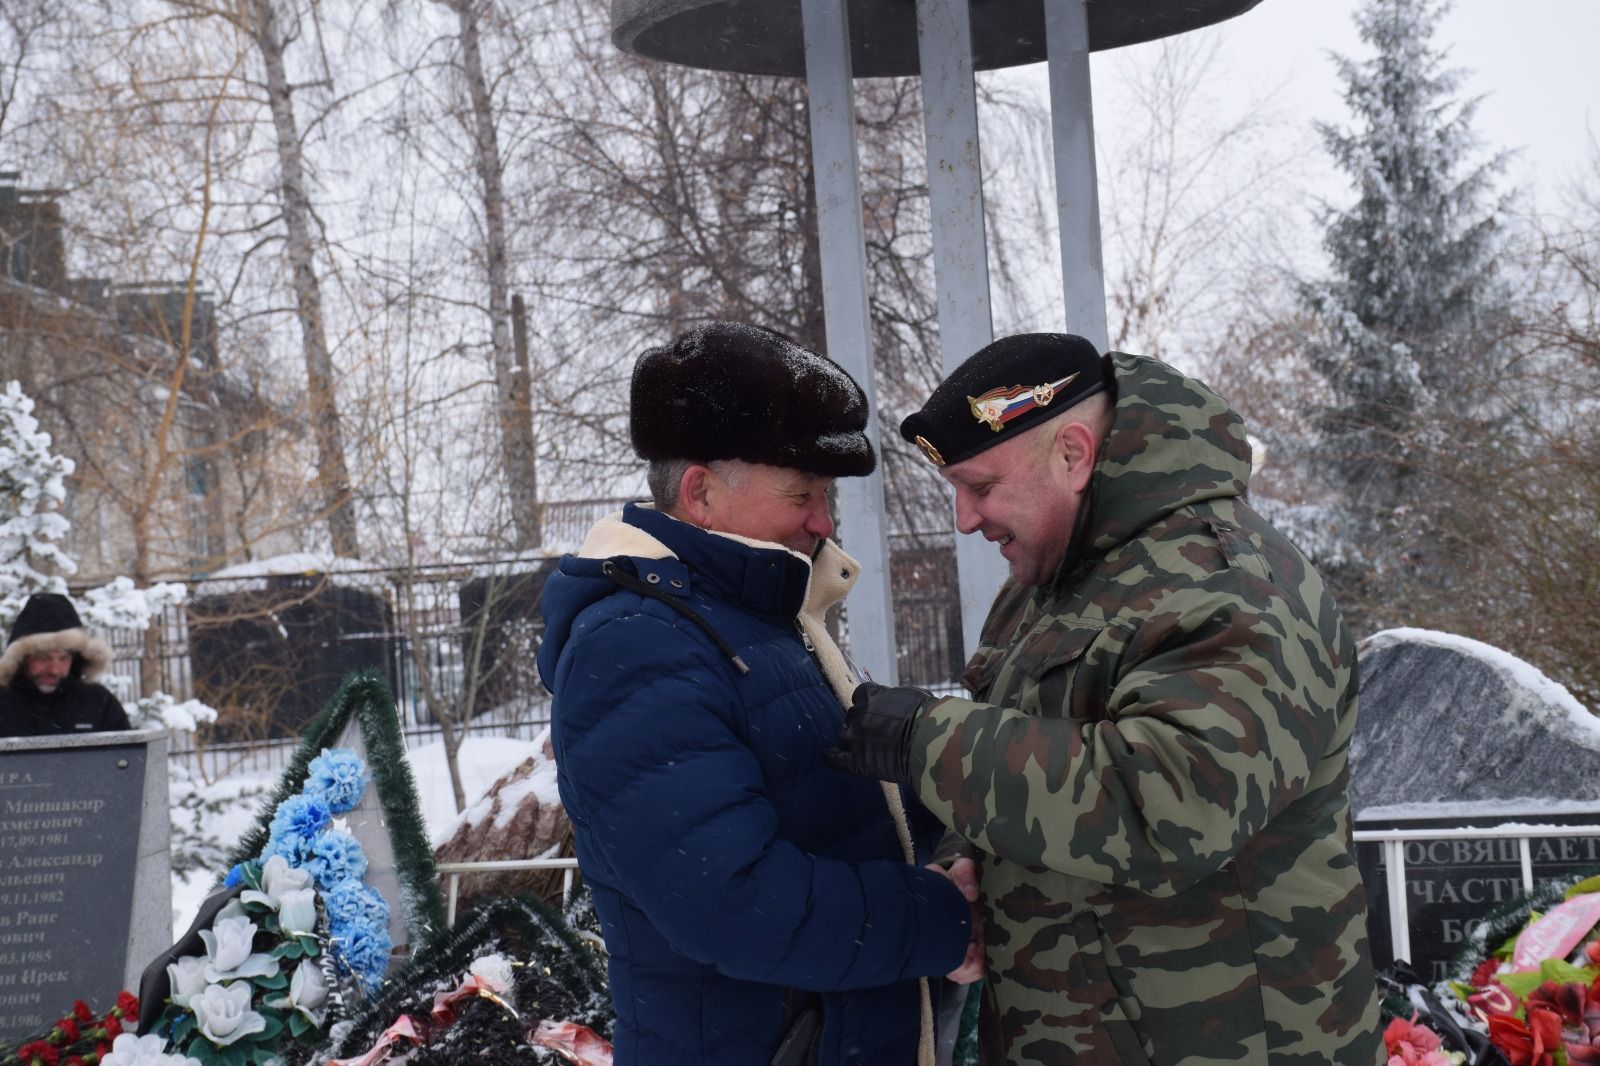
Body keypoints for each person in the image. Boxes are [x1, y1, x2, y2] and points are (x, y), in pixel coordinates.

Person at [828, 333, 1382, 1064]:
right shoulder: (1049, 585)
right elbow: (1029, 754)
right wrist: (970, 861)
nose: (964, 519)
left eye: (981, 486)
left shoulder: (1228, 583)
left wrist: (927, 742)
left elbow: (1176, 804)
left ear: (1073, 454)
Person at [536, 321, 980, 1066]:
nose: (823, 520)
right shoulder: (637, 644)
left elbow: (836, 814)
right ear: (701, 492)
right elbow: (733, 900)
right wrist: (941, 921)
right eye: (802, 493)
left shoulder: (754, 617)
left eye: (826, 494)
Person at [0, 592, 131, 736]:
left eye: (64, 658)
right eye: (43, 657)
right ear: (22, 657)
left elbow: (127, 749)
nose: (54, 670)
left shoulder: (98, 702)